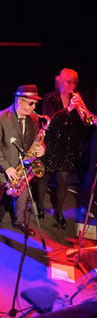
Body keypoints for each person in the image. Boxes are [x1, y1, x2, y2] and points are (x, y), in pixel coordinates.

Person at [0, 85, 45, 239]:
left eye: (35, 104)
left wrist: (42, 149)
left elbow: (36, 141)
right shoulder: (0, 117)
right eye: (31, 103)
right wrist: (7, 167)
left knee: (23, 198)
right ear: (19, 101)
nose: (34, 107)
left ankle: (20, 222)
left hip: (22, 167)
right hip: (0, 167)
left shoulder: (34, 119)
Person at [37, 68, 95, 228]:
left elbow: (86, 122)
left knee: (63, 181)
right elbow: (50, 119)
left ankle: (59, 211)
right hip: (51, 142)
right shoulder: (50, 97)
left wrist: (83, 110)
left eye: (74, 82)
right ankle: (40, 207)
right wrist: (69, 108)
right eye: (69, 82)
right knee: (44, 176)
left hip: (68, 145)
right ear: (61, 81)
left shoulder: (76, 99)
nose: (71, 85)